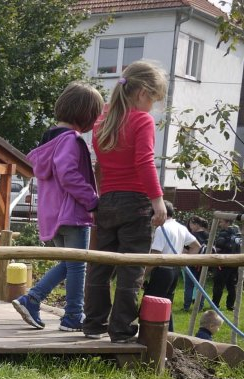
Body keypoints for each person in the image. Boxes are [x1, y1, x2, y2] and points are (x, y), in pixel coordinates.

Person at [83, 60, 169, 343]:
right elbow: (144, 162)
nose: (152, 107)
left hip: (107, 199)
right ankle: (120, 330)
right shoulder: (141, 120)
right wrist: (158, 201)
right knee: (131, 268)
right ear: (142, 92)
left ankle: (94, 324)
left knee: (101, 263)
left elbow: (102, 166)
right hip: (136, 202)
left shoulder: (102, 120)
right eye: (153, 100)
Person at [12, 82, 104, 331]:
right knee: (77, 265)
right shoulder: (71, 141)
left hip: (53, 215)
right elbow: (68, 173)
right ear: (86, 115)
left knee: (69, 263)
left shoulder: (48, 140)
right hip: (73, 213)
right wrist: (92, 200)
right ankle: (72, 315)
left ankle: (32, 299)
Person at [145, 201, 199, 330]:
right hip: (174, 271)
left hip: (162, 271)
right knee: (166, 305)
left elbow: (155, 255)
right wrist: (182, 260)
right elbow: (196, 246)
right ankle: (169, 334)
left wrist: (143, 275)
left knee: (153, 305)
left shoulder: (161, 229)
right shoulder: (180, 227)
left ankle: (152, 335)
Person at [212, 217, 242, 312]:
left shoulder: (223, 233)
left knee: (218, 285)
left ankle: (215, 305)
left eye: (221, 222)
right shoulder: (239, 234)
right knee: (232, 286)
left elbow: (219, 248)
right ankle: (230, 305)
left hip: (223, 262)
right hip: (236, 263)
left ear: (227, 222)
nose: (220, 224)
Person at [183, 216, 209, 311]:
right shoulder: (208, 234)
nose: (190, 226)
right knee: (201, 287)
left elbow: (185, 249)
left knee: (189, 286)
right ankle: (200, 307)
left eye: (191, 224)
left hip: (192, 262)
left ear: (196, 224)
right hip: (204, 263)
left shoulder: (192, 235)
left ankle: (186, 306)